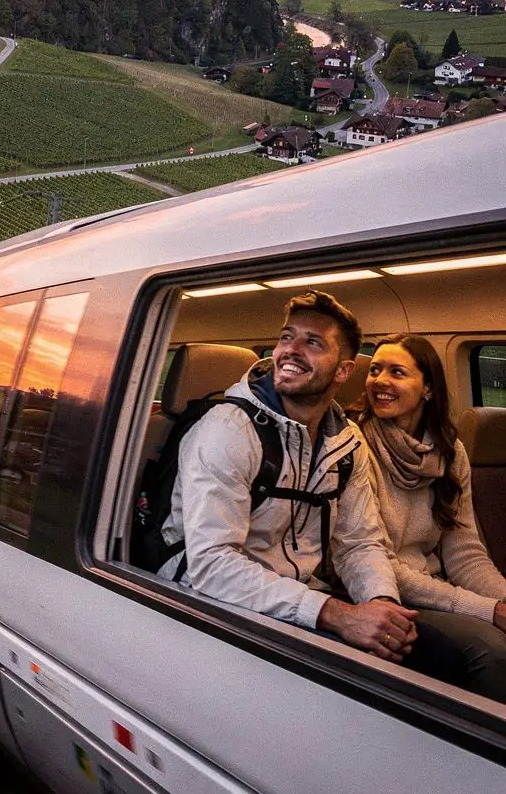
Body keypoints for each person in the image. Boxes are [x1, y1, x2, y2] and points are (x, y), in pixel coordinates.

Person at [159, 290, 420, 665]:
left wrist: (382, 606)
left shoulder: (346, 444)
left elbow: (359, 542)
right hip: (208, 600)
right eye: (286, 337)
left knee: (427, 656)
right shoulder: (227, 430)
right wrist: (335, 614)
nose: (290, 350)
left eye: (312, 342)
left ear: (343, 371)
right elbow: (211, 565)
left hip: (299, 598)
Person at [361, 334, 506, 701]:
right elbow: (378, 564)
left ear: (427, 389)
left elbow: (465, 554)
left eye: (397, 372)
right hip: (385, 594)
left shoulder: (448, 451)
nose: (380, 381)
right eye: (374, 370)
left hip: (435, 587)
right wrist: (487, 611)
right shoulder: (355, 446)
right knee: (492, 651)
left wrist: (504, 602)